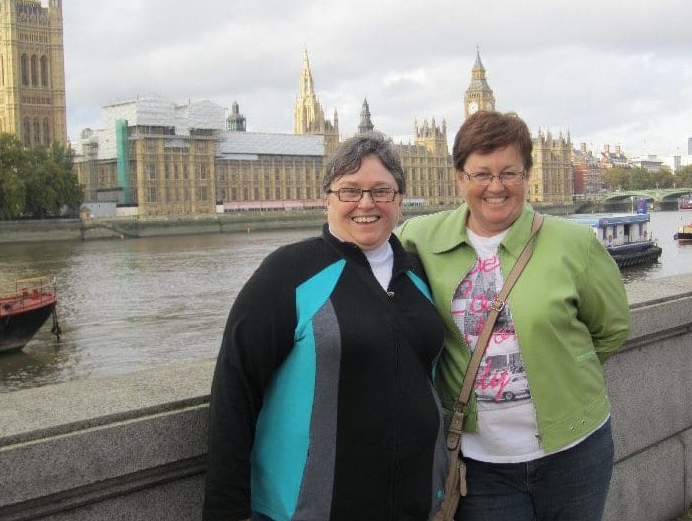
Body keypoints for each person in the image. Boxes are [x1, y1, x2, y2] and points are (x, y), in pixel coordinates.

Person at [397, 110, 630, 521]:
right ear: (459, 177)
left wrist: (562, 367)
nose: (496, 186)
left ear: (527, 175)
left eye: (510, 173)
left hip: (574, 451)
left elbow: (611, 328)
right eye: (481, 174)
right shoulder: (419, 238)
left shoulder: (574, 243)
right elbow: (363, 260)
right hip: (479, 465)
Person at [203, 135, 447, 521]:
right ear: (328, 198)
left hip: (413, 505)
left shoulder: (417, 274)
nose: (366, 203)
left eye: (382, 191)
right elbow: (234, 392)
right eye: (350, 191)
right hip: (314, 510)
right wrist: (227, 512)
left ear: (399, 199)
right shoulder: (288, 271)